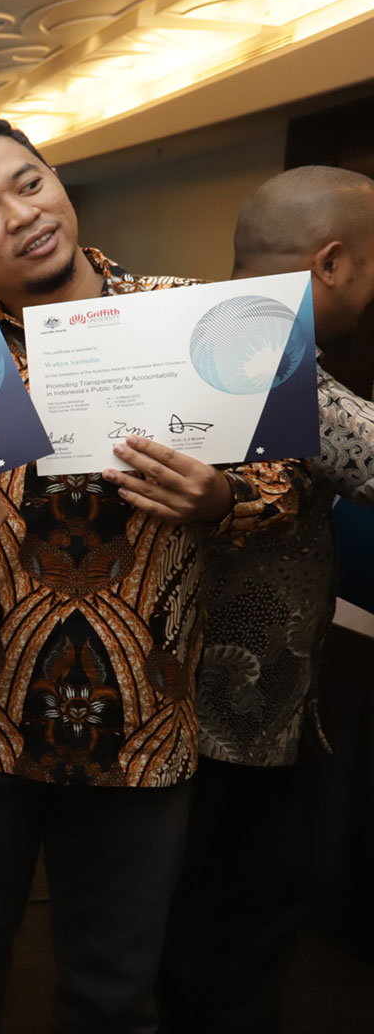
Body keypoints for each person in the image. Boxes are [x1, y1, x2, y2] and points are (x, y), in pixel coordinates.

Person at [0, 117, 308, 1032]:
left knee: (115, 991)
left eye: (30, 184)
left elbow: (288, 476)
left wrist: (217, 498)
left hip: (144, 723)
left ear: (57, 181)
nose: (23, 217)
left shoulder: (188, 314)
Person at [158, 165, 374, 1033]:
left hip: (169, 714)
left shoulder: (183, 339)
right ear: (331, 262)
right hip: (236, 727)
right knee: (231, 948)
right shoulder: (267, 365)